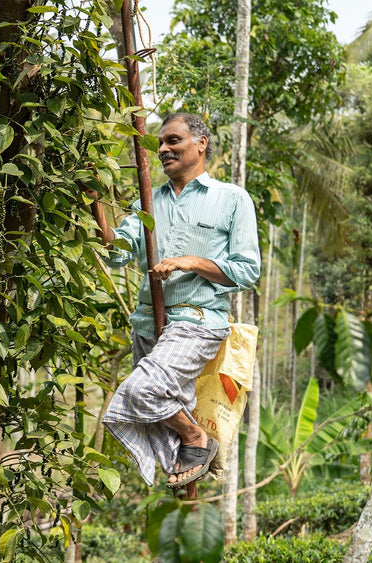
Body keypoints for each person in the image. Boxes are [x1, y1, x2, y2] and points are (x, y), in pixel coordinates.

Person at [84, 113, 260, 493]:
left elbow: (247, 271)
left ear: (201, 144)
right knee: (157, 421)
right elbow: (116, 252)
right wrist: (93, 201)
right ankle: (188, 478)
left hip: (196, 322)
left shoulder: (231, 199)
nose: (163, 149)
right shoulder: (147, 202)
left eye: (173, 141)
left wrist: (191, 262)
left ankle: (197, 438)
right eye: (160, 143)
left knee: (140, 393)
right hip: (147, 325)